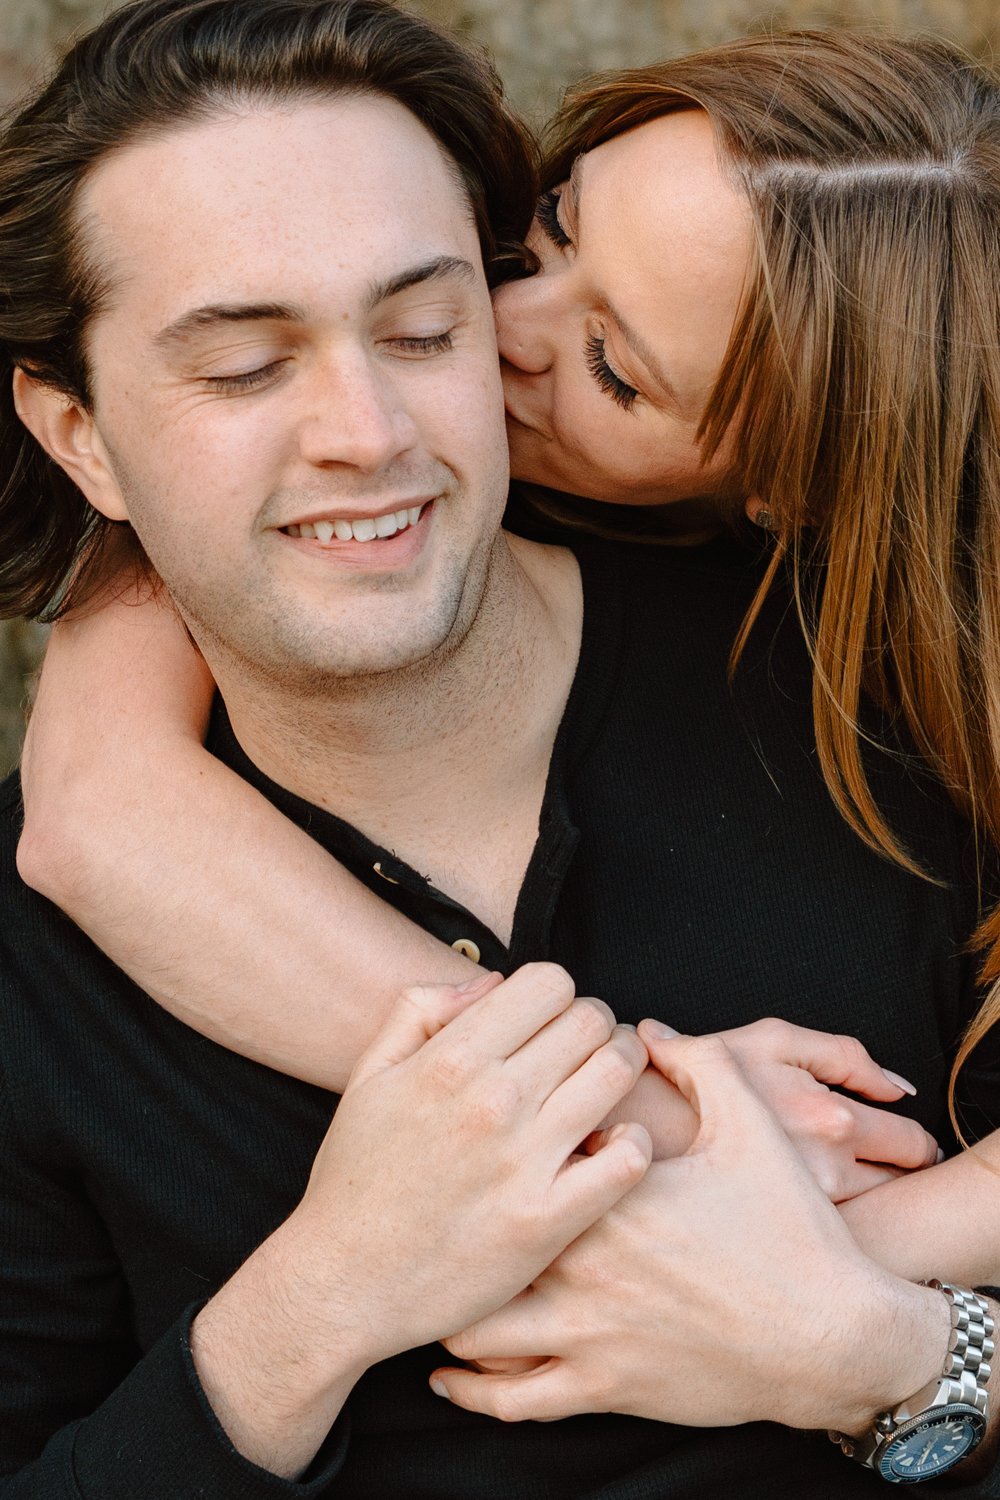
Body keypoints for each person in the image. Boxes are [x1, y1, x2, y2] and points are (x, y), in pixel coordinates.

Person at [0, 5, 998, 1498]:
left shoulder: (898, 729)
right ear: (81, 435)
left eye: (425, 325)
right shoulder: (65, 878)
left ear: (783, 482)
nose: (379, 421)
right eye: (533, 243)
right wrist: (326, 1297)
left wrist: (875, 1339)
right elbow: (94, 809)